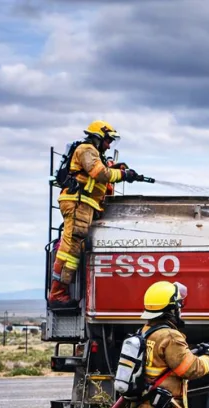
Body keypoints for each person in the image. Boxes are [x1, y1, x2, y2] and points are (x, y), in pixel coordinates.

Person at [49, 120, 141, 306]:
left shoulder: (94, 154)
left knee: (73, 246)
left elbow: (102, 173)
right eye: (107, 141)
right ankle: (57, 293)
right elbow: (100, 174)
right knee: (70, 248)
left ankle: (60, 290)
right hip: (77, 202)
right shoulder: (87, 149)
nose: (109, 145)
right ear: (98, 137)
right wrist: (123, 175)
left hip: (84, 204)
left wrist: (117, 170)